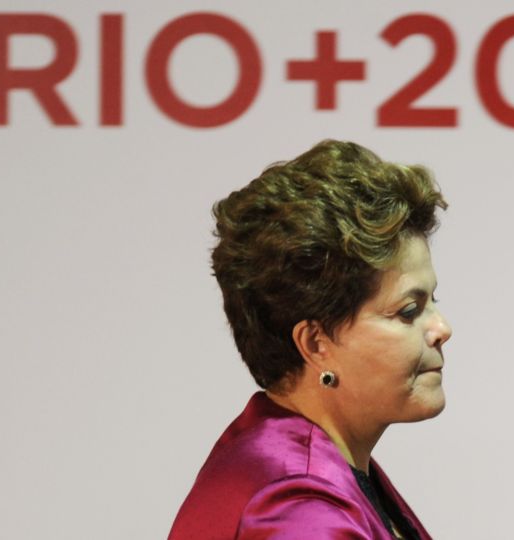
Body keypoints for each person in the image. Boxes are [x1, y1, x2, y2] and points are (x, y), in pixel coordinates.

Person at [169, 140, 452, 539]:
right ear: (316, 344)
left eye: (433, 301)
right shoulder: (297, 510)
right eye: (408, 311)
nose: (441, 328)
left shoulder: (314, 464)